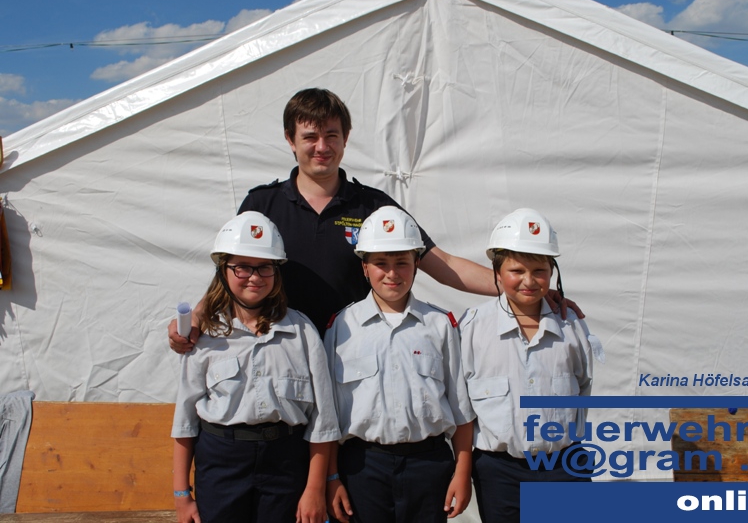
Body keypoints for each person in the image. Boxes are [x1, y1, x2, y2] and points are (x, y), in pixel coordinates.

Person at [169, 88, 581, 348]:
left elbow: (443, 264)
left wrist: (521, 288)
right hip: (279, 348)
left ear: (345, 139)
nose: (322, 146)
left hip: (354, 349)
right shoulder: (262, 204)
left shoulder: (374, 207)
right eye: (310, 136)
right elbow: (232, 272)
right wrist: (198, 317)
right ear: (290, 141)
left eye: (331, 135)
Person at [171, 212, 340, 523]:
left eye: (265, 267)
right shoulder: (205, 336)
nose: (254, 276)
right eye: (242, 267)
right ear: (223, 270)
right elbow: (185, 420)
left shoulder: (301, 332)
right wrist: (182, 495)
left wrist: (315, 488)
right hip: (221, 463)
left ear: (276, 271)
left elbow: (323, 419)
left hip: (286, 463)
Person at [324, 206, 474, 523]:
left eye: (402, 263)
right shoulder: (342, 327)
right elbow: (330, 413)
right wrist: (332, 476)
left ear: (417, 264)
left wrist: (462, 472)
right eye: (381, 263)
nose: (392, 273)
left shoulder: (440, 324)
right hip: (362, 466)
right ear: (364, 268)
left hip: (429, 464)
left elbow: (460, 407)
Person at [459, 208, 604, 523]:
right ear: (497, 272)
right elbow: (463, 408)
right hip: (499, 472)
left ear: (552, 272)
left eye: (539, 271)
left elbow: (583, 386)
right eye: (516, 270)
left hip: (564, 465)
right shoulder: (472, 328)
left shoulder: (571, 326)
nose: (528, 280)